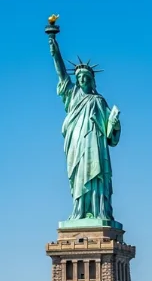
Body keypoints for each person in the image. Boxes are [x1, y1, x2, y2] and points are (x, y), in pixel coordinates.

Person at [48, 33, 121, 222]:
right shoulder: (72, 95)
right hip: (77, 143)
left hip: (95, 145)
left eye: (85, 77)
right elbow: (61, 74)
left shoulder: (99, 100)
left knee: (96, 177)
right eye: (79, 77)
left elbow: (109, 133)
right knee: (79, 177)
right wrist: (55, 49)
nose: (81, 80)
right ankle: (79, 211)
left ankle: (99, 212)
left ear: (91, 80)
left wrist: (113, 122)